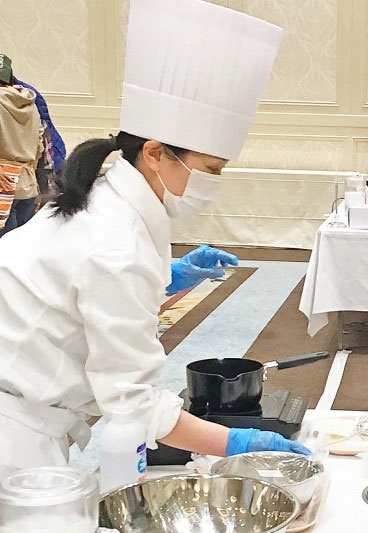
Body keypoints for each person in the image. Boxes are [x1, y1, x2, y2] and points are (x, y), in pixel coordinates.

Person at [0, 0, 307, 478]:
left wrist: (166, 277)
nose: (213, 183)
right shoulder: (116, 244)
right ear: (155, 152)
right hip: (15, 424)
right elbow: (133, 404)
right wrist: (238, 442)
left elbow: (80, 289)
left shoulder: (108, 195)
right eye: (209, 169)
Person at [0, 53, 43, 234]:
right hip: (28, 185)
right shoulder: (30, 104)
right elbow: (40, 146)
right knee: (21, 247)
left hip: (3, 185)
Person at [12, 75, 67, 202]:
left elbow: (44, 132)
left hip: (40, 165)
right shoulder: (27, 92)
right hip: (42, 162)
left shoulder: (23, 94)